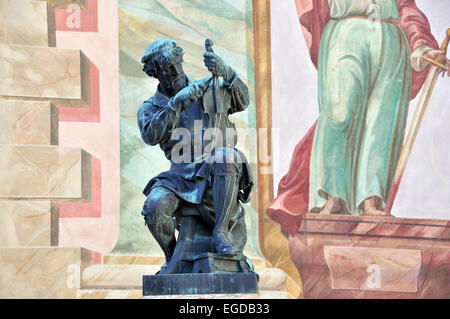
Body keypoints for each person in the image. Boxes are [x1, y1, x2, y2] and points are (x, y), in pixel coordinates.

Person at [267, 0, 449, 234]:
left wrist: (421, 45)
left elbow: (405, 5)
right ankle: (332, 197)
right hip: (345, 31)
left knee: (381, 124)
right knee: (338, 113)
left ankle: (371, 200)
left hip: (391, 35)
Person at [137, 39, 253, 273]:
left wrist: (228, 73)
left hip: (213, 169)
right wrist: (176, 103)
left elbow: (242, 101)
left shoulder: (208, 88)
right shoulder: (150, 107)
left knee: (225, 156)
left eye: (178, 64)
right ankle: (172, 259)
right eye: (168, 68)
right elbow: (150, 135)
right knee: (154, 206)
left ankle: (221, 234)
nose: (176, 71)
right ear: (156, 73)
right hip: (179, 176)